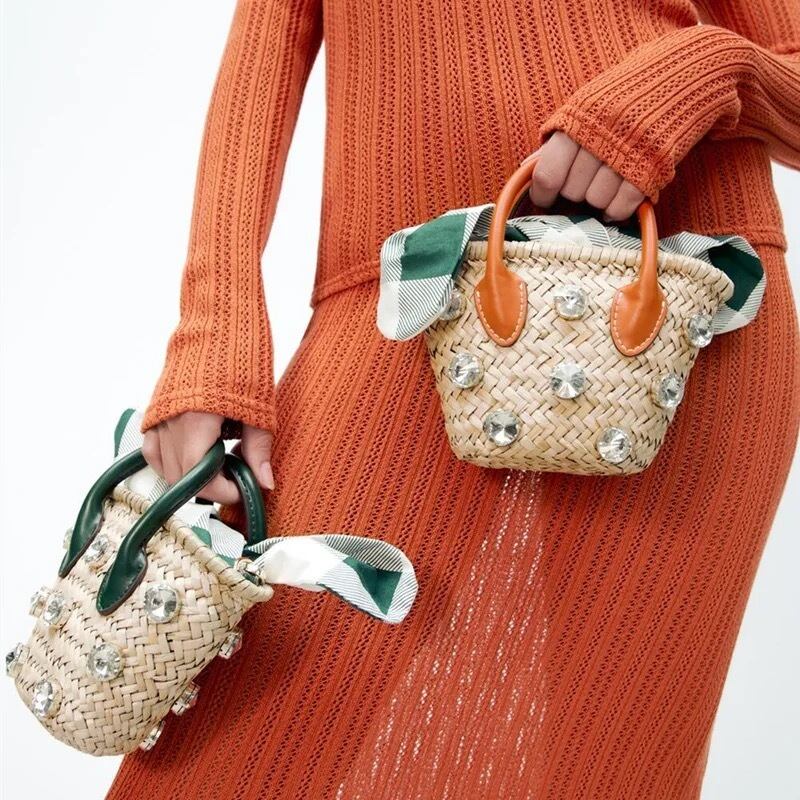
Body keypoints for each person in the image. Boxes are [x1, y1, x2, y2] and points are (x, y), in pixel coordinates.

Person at [106, 0, 800, 797]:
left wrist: (702, 72)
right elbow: (264, 55)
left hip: (682, 313)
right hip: (401, 300)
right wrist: (213, 334)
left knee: (598, 764)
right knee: (239, 749)